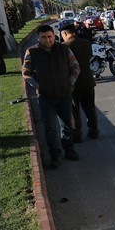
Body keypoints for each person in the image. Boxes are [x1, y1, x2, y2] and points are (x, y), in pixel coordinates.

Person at [22, 24, 80, 168]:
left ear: (54, 36)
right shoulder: (32, 51)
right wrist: (37, 86)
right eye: (43, 37)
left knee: (66, 124)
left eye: (49, 36)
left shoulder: (64, 49)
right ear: (38, 38)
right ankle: (55, 155)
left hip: (64, 94)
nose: (47, 40)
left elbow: (75, 67)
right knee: (50, 127)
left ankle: (69, 150)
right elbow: (26, 73)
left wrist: (69, 83)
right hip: (45, 97)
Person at [60, 24, 99, 142]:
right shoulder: (86, 43)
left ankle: (77, 135)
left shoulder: (63, 47)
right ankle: (94, 131)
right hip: (88, 81)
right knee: (90, 108)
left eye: (62, 35)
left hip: (73, 84)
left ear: (65, 34)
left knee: (74, 111)